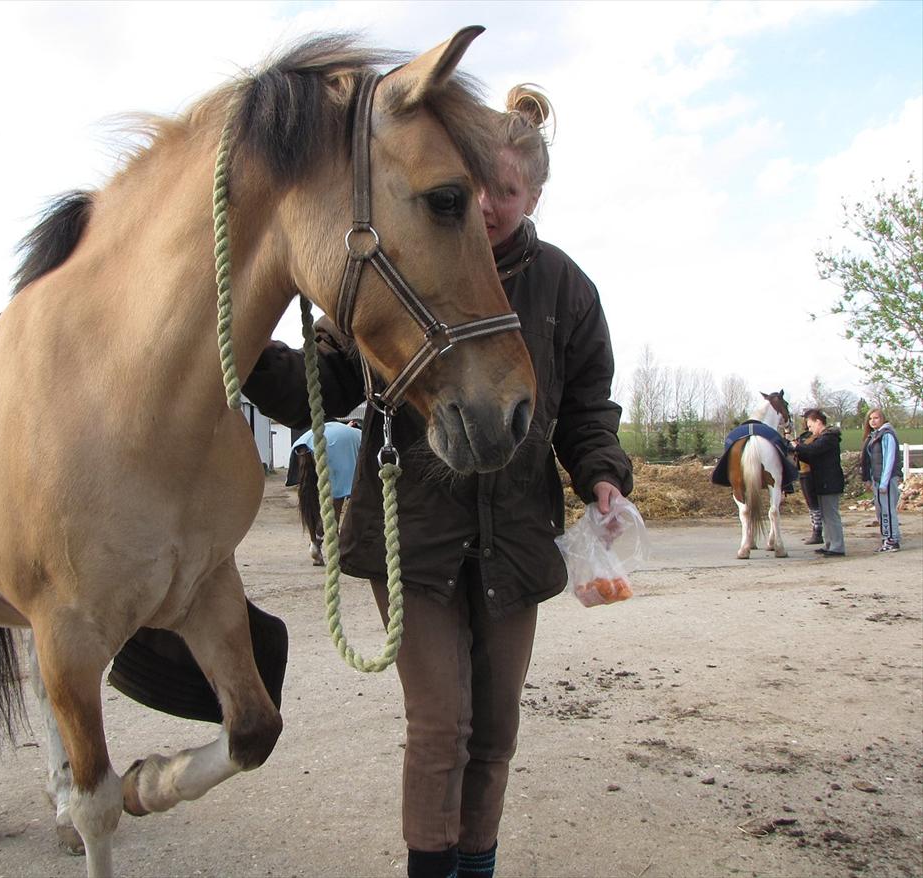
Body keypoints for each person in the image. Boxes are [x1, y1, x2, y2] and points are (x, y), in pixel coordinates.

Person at [243, 84, 633, 878]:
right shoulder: (408, 264)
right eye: (477, 185)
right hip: (414, 534)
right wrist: (246, 334)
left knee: (494, 733)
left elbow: (587, 405)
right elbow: (322, 380)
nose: (488, 205)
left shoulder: (565, 290)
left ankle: (476, 867)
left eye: (509, 193)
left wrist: (602, 476)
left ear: (536, 196)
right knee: (441, 727)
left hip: (515, 541)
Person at [288, 419, 363, 565]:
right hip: (332, 445)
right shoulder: (359, 436)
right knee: (336, 497)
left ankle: (314, 544)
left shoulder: (337, 429)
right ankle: (334, 547)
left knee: (310, 497)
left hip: (305, 441)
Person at [791, 409, 845, 556]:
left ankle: (837, 547)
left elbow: (814, 450)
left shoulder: (829, 437)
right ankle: (829, 544)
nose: (810, 429)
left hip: (829, 482)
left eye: (810, 426)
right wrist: (799, 453)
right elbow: (812, 455)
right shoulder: (825, 437)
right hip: (823, 482)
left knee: (831, 515)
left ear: (818, 422)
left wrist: (797, 447)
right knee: (826, 516)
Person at [862, 408, 903, 552]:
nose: (873, 421)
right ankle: (887, 538)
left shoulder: (887, 435)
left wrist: (884, 482)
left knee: (887, 511)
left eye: (876, 418)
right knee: (881, 511)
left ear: (883, 419)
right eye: (870, 418)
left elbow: (889, 459)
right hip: (878, 479)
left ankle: (892, 540)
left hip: (885, 480)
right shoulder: (875, 436)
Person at [794, 415, 823, 544]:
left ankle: (818, 531)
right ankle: (816, 529)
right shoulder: (806, 436)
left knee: (814, 504)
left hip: (810, 472)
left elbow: (809, 452)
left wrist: (796, 447)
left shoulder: (816, 437)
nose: (806, 425)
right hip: (803, 471)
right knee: (811, 505)